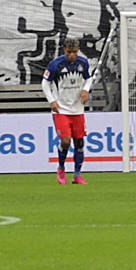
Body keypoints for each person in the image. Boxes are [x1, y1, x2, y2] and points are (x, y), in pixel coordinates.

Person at [43, 38, 93, 183]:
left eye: (75, 52)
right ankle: (61, 168)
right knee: (65, 141)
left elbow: (88, 79)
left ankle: (77, 175)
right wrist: (51, 100)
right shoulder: (55, 64)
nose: (72, 55)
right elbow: (45, 83)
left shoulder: (83, 63)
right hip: (61, 109)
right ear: (64, 50)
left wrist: (85, 90)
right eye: (69, 52)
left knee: (79, 143)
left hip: (78, 109)